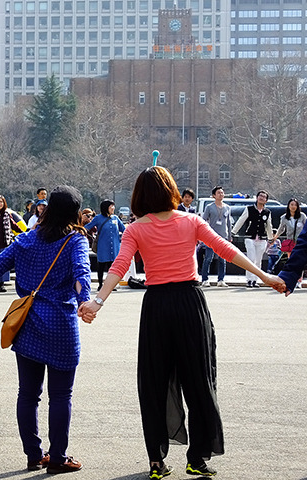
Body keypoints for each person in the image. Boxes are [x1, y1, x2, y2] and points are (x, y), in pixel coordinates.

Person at [78, 166, 283, 480]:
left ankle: (157, 462)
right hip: (189, 303)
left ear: (140, 195)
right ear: (171, 190)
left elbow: (121, 266)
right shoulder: (191, 221)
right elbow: (225, 249)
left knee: (154, 382)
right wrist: (265, 275)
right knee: (199, 380)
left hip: (157, 307)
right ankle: (197, 458)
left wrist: (97, 302)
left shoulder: (136, 228)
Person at [0, 186, 91, 474]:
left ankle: (33, 454)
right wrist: (84, 302)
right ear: (75, 213)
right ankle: (57, 457)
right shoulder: (74, 240)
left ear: (48, 209)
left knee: (28, 394)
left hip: (26, 322)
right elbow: (81, 272)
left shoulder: (26, 239)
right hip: (60, 324)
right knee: (61, 395)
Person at [232, 190, 273, 288]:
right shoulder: (249, 209)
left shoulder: (267, 212)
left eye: (264, 197)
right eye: (260, 196)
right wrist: (233, 232)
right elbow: (241, 220)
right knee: (251, 259)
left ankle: (255, 280)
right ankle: (249, 279)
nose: (261, 198)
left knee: (258, 260)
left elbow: (269, 225)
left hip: (262, 239)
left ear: (266, 200)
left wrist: (270, 237)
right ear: (257, 197)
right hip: (250, 237)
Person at [85, 199, 125, 291]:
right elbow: (87, 227)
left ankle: (110, 285)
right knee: (101, 266)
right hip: (103, 247)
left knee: (112, 267)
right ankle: (100, 285)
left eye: (113, 206)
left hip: (114, 247)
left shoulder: (115, 218)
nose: (113, 208)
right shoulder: (98, 218)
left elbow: (124, 229)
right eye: (111, 206)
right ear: (105, 207)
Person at [201, 186, 232, 288]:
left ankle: (221, 279)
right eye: (218, 193)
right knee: (208, 259)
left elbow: (228, 223)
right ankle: (205, 279)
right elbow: (203, 220)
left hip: (223, 236)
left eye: (222, 193)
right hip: (211, 236)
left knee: (222, 260)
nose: (221, 194)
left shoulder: (227, 207)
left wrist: (229, 236)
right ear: (214, 195)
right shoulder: (209, 207)